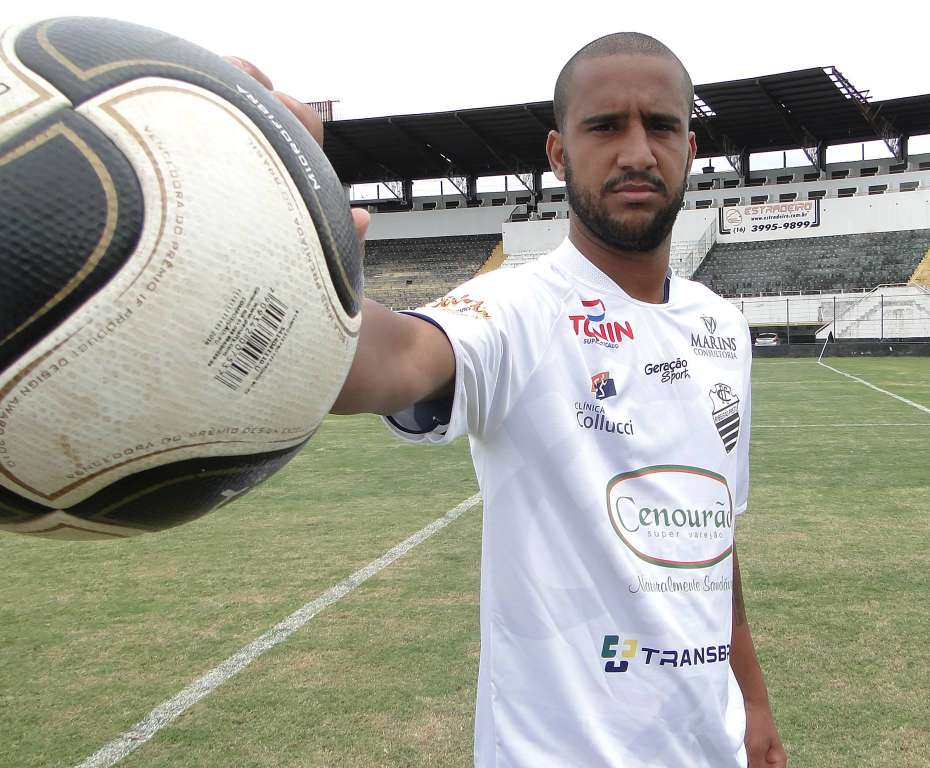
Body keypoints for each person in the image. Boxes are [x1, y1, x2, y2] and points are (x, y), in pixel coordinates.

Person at [237, 31, 786, 768]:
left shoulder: (722, 326)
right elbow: (384, 360)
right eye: (604, 126)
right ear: (559, 155)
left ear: (690, 147)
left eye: (659, 125)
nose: (635, 151)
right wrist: (288, 229)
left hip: (709, 748)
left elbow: (715, 543)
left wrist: (751, 703)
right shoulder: (520, 306)